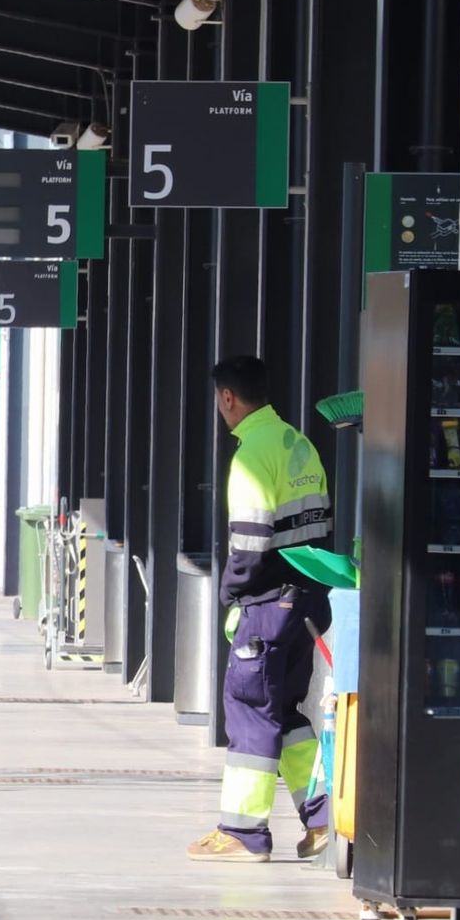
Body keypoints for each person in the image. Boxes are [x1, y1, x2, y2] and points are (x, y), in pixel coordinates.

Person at [188, 356, 334, 863]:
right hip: (309, 600)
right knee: (287, 711)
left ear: (227, 397)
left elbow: (248, 544)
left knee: (250, 709)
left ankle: (243, 832)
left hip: (267, 605)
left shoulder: (252, 455)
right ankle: (322, 818)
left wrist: (231, 593)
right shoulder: (299, 443)